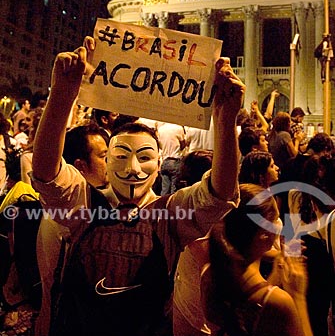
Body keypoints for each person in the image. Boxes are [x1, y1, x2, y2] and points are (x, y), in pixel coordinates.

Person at [31, 43, 246, 336]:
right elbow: (46, 172)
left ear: (160, 165)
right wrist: (61, 96)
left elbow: (219, 193)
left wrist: (225, 118)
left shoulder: (171, 215)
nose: (133, 168)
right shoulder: (83, 204)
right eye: (121, 156)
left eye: (144, 158)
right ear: (106, 162)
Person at [174, 184, 313, 336]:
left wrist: (276, 272)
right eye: (276, 221)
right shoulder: (278, 303)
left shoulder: (210, 274)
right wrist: (298, 296)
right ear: (265, 234)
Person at [35, 121, 110, 336]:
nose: (112, 163)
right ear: (80, 166)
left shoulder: (94, 202)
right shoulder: (74, 211)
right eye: (104, 156)